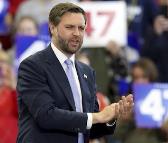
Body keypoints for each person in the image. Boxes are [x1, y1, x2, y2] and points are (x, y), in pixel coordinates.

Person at [16, 2, 134, 143]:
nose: (77, 33)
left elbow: (91, 128)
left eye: (81, 28)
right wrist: (98, 116)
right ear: (52, 28)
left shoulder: (87, 72)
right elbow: (46, 115)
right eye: (69, 27)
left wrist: (111, 116)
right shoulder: (32, 66)